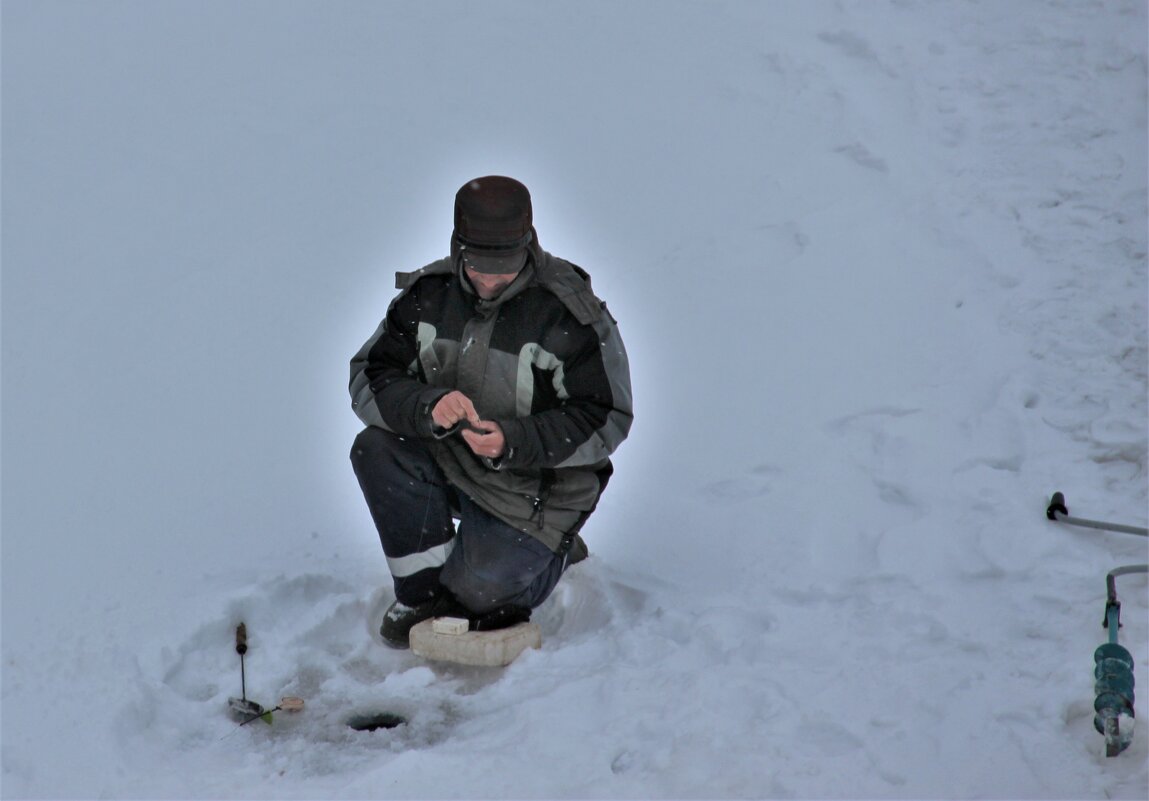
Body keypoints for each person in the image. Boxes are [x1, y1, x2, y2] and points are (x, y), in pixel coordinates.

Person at [349, 175, 633, 648]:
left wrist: (512, 440)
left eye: (504, 264)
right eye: (479, 264)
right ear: (459, 248)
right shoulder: (427, 295)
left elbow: (607, 417)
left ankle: (553, 554)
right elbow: (370, 377)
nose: (490, 278)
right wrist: (427, 406)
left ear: (528, 245)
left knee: (483, 601)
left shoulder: (568, 312)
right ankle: (422, 594)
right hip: (454, 463)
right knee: (377, 447)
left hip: (539, 490)